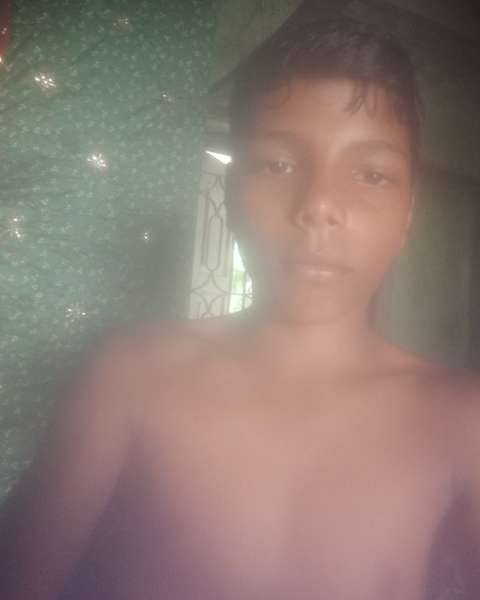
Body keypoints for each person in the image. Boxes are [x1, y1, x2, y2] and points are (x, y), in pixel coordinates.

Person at [1, 16, 479, 600]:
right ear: (229, 194)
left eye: (372, 174)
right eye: (277, 164)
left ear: (408, 214)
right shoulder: (131, 377)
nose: (319, 204)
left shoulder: (461, 422)